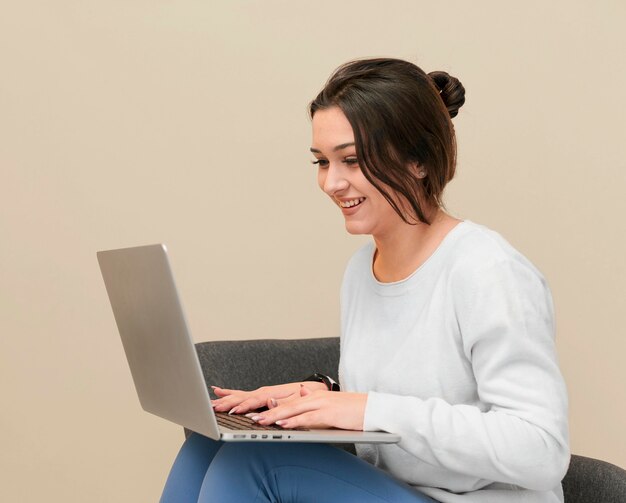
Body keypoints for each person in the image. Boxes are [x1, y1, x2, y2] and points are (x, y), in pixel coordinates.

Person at [160, 57, 570, 502]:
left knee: (257, 462)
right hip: (396, 490)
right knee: (210, 443)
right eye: (321, 162)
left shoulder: (488, 271)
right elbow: (420, 388)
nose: (331, 183)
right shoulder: (362, 269)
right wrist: (323, 395)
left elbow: (541, 449)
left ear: (418, 160)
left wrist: (366, 409)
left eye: (352, 160)